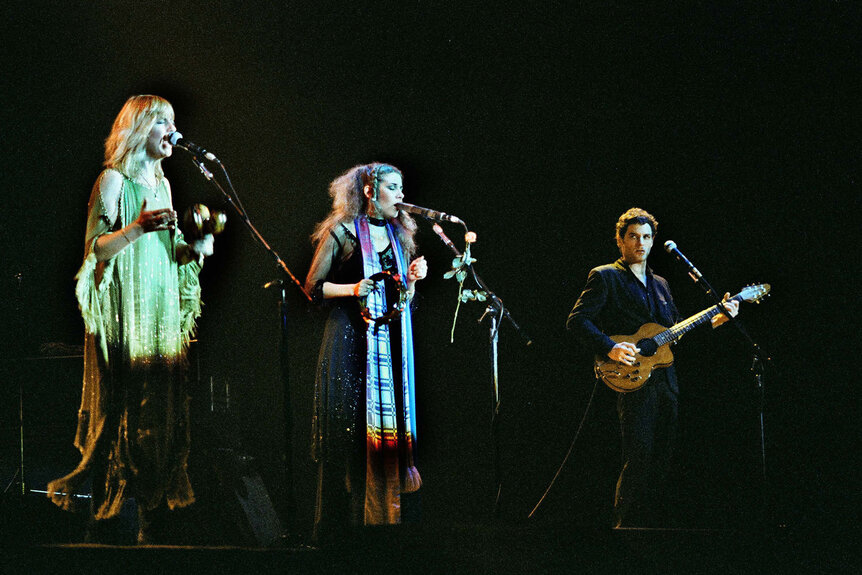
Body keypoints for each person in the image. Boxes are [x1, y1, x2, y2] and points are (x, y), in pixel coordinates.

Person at [47, 95, 214, 544]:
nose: (172, 131)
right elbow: (94, 250)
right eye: (163, 121)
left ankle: (152, 519)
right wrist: (137, 227)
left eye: (174, 121)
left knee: (158, 414)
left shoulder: (164, 185)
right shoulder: (113, 181)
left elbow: (169, 254)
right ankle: (108, 520)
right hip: (125, 313)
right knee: (122, 411)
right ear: (139, 128)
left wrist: (194, 250)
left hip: (158, 313)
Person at [566, 207, 738, 528]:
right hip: (632, 378)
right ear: (620, 240)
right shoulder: (606, 276)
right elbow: (577, 321)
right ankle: (626, 528)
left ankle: (653, 530)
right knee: (639, 454)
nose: (639, 243)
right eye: (632, 237)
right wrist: (611, 347)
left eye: (646, 237)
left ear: (653, 240)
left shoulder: (661, 284)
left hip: (666, 379)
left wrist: (718, 319)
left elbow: (673, 332)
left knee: (663, 456)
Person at [305, 163, 428, 542]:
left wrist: (410, 280)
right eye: (393, 188)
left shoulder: (399, 234)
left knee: (383, 434)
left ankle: (383, 533)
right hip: (349, 341)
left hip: (388, 343)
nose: (401, 196)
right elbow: (312, 287)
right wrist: (354, 289)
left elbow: (401, 301)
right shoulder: (341, 231)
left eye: (402, 187)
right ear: (370, 192)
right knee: (349, 435)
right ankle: (339, 535)